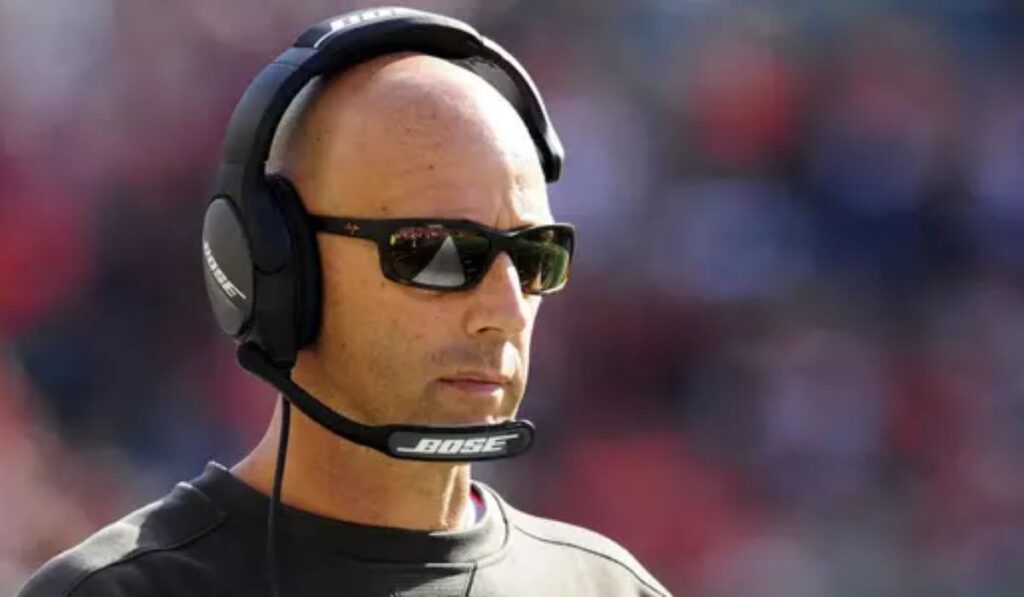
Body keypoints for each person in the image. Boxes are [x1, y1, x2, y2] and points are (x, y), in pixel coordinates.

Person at [18, 8, 669, 597]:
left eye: (533, 256)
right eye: (436, 250)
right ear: (277, 266)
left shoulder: (609, 587)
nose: (503, 307)